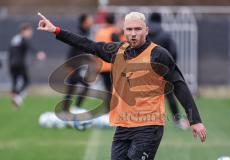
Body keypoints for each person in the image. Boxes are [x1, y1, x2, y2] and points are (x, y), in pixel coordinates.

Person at [37, 11, 206, 160]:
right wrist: (56, 31)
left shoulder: (159, 55)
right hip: (122, 128)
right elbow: (86, 44)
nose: (133, 33)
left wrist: (195, 120)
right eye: (129, 29)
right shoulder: (115, 51)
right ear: (123, 31)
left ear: (146, 30)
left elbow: (179, 85)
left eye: (138, 29)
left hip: (148, 127)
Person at [148, 12, 189, 129]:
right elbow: (173, 51)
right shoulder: (165, 35)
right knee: (170, 96)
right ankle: (177, 122)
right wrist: (171, 65)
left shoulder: (144, 35)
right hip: (163, 69)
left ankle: (142, 120)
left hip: (145, 70)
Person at [62, 14, 94, 112]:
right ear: (84, 22)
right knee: (85, 86)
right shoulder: (79, 34)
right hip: (73, 67)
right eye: (89, 20)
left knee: (71, 88)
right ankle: (76, 107)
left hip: (77, 67)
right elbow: (73, 52)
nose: (91, 22)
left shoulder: (85, 33)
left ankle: (65, 110)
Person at [8, 23, 46, 107]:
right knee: (26, 81)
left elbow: (10, 51)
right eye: (29, 31)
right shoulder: (23, 38)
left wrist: (10, 63)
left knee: (14, 82)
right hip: (20, 64)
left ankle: (15, 100)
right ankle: (17, 96)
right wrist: (38, 53)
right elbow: (29, 46)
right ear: (23, 31)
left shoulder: (14, 39)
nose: (30, 33)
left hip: (11, 64)